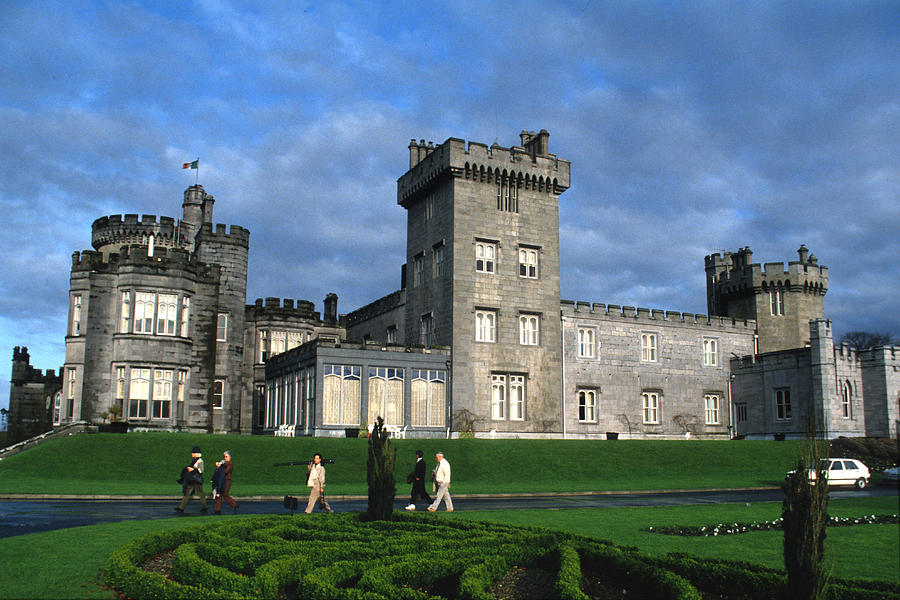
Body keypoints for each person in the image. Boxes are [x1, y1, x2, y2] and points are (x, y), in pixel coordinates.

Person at [176, 446, 207, 513]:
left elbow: (201, 471)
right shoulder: (194, 460)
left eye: (193, 452)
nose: (192, 454)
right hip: (192, 479)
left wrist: (192, 469)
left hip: (197, 480)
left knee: (200, 493)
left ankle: (205, 507)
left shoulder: (200, 461)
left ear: (197, 453)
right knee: (187, 493)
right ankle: (181, 507)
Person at [213, 450, 239, 514]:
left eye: (226, 457)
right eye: (224, 456)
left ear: (230, 457)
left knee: (225, 495)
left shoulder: (230, 464)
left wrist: (220, 466)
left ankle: (234, 504)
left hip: (227, 481)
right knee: (218, 495)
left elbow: (225, 471)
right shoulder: (224, 463)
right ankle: (217, 510)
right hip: (221, 481)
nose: (225, 458)